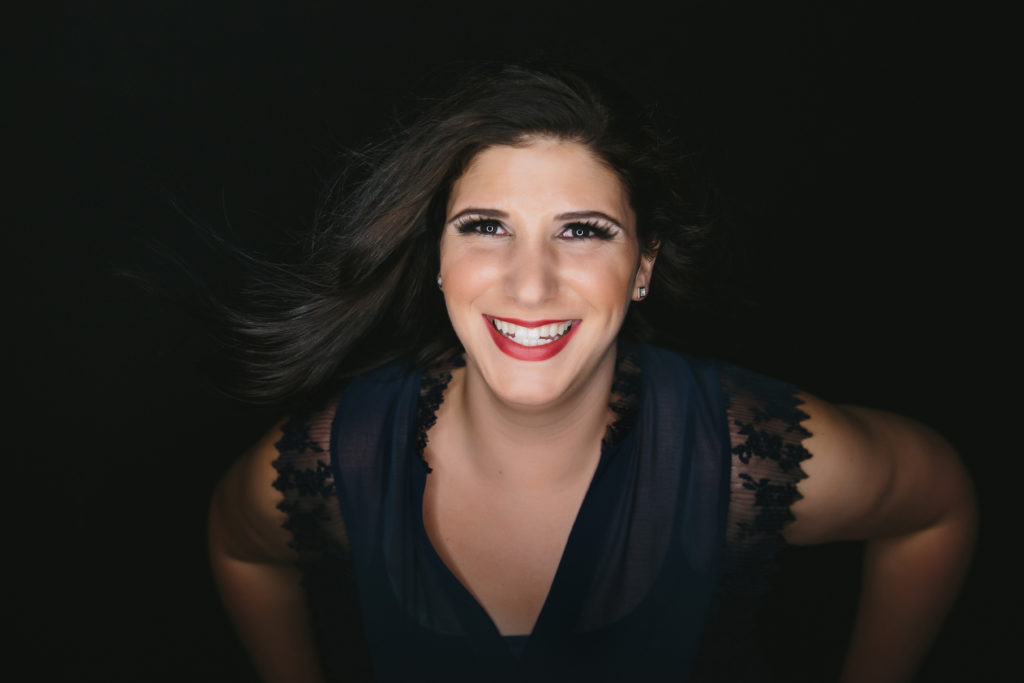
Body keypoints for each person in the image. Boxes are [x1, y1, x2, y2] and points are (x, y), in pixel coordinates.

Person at [207, 63, 976, 682]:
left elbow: (934, 507)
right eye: (485, 228)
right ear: (436, 261)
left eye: (582, 231)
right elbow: (241, 546)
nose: (530, 283)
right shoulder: (342, 461)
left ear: (642, 267)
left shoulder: (741, 457)